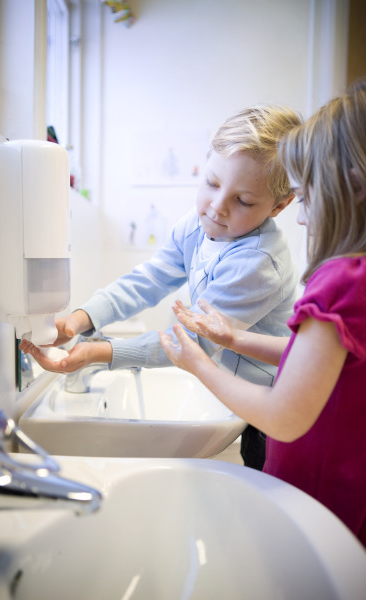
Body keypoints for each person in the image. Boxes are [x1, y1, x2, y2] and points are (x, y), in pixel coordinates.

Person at [20, 104, 301, 469]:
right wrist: (80, 319)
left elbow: (193, 342)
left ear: (279, 206)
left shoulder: (259, 262)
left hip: (268, 403)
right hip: (234, 391)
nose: (217, 207)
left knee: (266, 485)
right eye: (212, 183)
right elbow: (149, 280)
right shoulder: (196, 225)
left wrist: (98, 353)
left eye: (243, 200)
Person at [159, 79, 366, 548]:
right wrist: (234, 340)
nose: (300, 216)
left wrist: (200, 363)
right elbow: (316, 359)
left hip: (316, 501)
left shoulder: (340, 284)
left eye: (306, 195)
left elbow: (283, 417)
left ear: (348, 191)